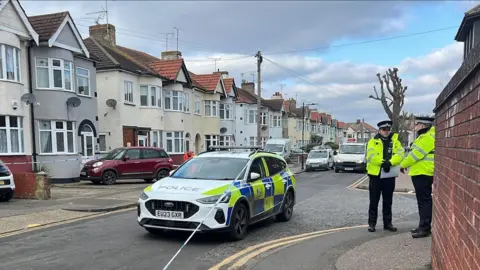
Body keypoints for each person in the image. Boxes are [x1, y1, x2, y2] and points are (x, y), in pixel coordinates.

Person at [366, 120, 405, 232]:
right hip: (376, 175)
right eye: (384, 129)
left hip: (389, 174)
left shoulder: (395, 141)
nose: (386, 131)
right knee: (374, 201)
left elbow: (400, 154)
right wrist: (383, 163)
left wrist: (391, 163)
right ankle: (372, 224)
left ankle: (388, 223)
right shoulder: (372, 142)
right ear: (379, 130)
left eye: (388, 129)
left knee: (388, 201)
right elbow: (371, 156)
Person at [400, 116, 435, 238]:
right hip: (422, 171)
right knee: (423, 200)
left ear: (422, 125)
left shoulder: (426, 137)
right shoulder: (426, 136)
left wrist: (403, 164)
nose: (415, 127)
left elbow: (415, 155)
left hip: (423, 172)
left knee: (424, 201)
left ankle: (424, 228)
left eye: (417, 124)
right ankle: (422, 226)